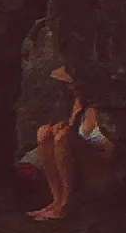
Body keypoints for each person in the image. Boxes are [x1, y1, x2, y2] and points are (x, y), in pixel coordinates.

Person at [28, 67, 115, 222]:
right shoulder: (81, 104)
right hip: (75, 172)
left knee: (64, 136)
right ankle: (57, 199)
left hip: (100, 175)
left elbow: (111, 157)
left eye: (74, 83)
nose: (71, 87)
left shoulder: (112, 111)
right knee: (45, 132)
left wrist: (82, 147)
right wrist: (74, 118)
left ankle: (67, 204)